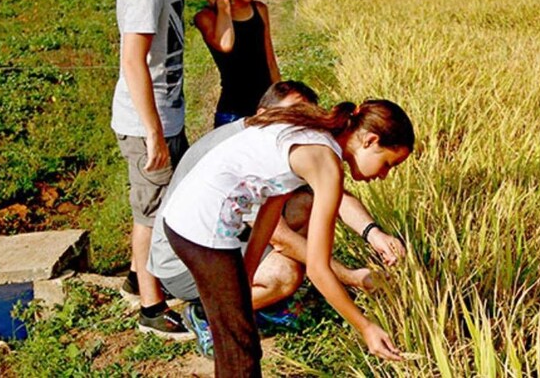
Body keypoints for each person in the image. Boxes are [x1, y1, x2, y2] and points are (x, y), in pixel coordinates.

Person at [162, 100, 415, 376]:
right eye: (388, 163)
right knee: (240, 347)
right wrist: (365, 326)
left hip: (185, 218)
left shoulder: (313, 131)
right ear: (370, 140)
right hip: (202, 228)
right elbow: (318, 270)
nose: (383, 175)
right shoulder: (326, 164)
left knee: (234, 337)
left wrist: (247, 270)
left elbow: (271, 208)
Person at [110, 0, 230, 339]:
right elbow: (132, 61)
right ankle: (150, 307)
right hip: (147, 121)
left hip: (166, 111)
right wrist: (154, 133)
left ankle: (139, 276)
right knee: (151, 213)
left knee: (164, 204)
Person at [194, 0, 281, 128]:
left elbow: (271, 63)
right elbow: (226, 44)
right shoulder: (206, 17)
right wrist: (223, 7)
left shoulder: (259, 10)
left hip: (266, 111)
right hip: (232, 116)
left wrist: (280, 105)